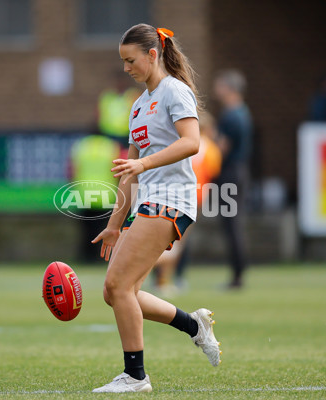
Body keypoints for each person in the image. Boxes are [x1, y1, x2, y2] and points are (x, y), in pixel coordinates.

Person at [90, 24, 221, 393]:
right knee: (116, 292)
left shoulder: (174, 91)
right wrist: (115, 224)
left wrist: (144, 166)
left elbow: (192, 142)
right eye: (122, 62)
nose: (126, 68)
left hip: (172, 200)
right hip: (147, 201)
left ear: (152, 55)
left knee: (118, 286)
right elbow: (128, 176)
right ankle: (194, 326)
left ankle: (136, 376)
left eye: (131, 60)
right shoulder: (137, 107)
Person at [153, 111, 222, 295]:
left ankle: (161, 280)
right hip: (192, 200)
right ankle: (147, 270)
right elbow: (213, 171)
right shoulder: (209, 147)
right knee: (176, 245)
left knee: (169, 241)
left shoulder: (180, 144)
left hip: (172, 195)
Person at [213, 69, 253, 289]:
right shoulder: (243, 112)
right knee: (234, 223)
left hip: (230, 174)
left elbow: (221, 149)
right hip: (239, 172)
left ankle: (237, 276)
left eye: (220, 86)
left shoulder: (231, 115)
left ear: (229, 88)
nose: (216, 90)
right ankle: (238, 274)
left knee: (232, 225)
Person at [69, 133, 122, 262]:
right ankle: (102, 257)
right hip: (105, 193)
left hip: (84, 193)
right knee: (104, 227)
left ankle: (86, 257)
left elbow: (73, 169)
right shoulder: (111, 146)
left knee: (86, 229)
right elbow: (118, 169)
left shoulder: (81, 146)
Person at [96, 71, 141, 145]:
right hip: (108, 134)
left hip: (127, 135)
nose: (119, 84)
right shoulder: (107, 96)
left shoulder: (133, 95)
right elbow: (99, 114)